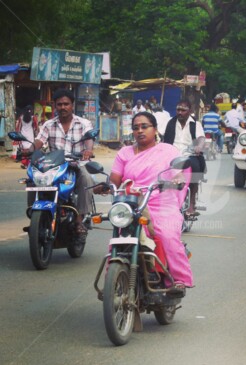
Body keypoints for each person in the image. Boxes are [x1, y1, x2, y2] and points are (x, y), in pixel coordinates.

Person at [109, 111, 193, 292]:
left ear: (155, 129)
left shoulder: (168, 150)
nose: (140, 131)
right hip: (132, 203)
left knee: (167, 235)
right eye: (136, 127)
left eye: (144, 126)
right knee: (119, 236)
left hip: (161, 202)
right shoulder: (124, 152)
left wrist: (177, 179)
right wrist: (107, 186)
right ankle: (114, 281)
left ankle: (178, 279)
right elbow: (115, 178)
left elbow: (178, 171)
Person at [24, 89, 95, 235]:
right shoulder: (49, 124)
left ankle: (79, 220)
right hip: (54, 165)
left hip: (76, 164)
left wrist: (88, 150)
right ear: (55, 106)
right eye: (59, 104)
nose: (63, 107)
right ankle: (34, 215)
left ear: (72, 105)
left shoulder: (83, 123)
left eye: (66, 104)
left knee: (86, 178)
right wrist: (29, 149)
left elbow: (89, 138)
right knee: (32, 179)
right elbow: (39, 141)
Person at [163, 99, 206, 216]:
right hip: (171, 155)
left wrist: (199, 147)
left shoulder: (196, 124)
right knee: (160, 172)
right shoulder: (170, 123)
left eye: (183, 110)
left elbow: (201, 138)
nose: (180, 112)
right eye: (178, 110)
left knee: (195, 170)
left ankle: (192, 203)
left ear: (190, 111)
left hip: (189, 155)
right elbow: (164, 138)